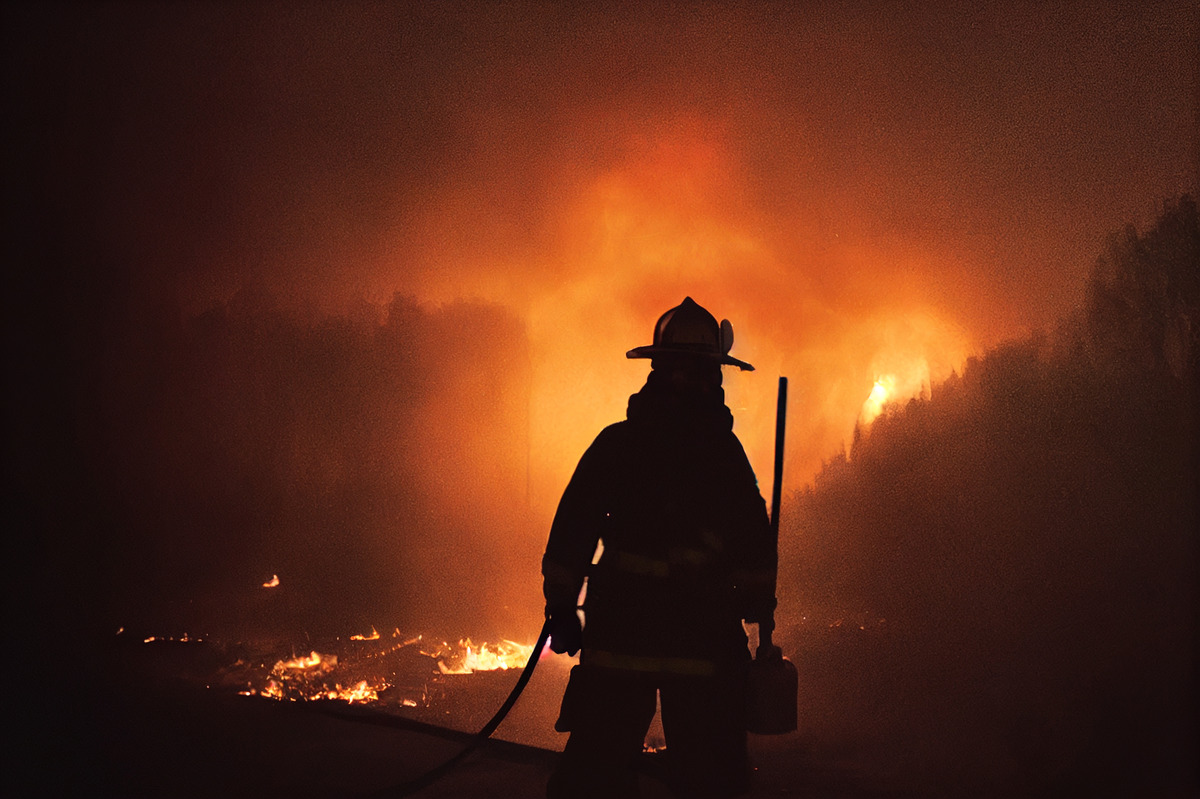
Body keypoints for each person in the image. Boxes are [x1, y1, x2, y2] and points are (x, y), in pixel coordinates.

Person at [542, 297, 778, 798]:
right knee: (711, 780)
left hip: (621, 638)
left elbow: (572, 529)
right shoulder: (725, 458)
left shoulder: (618, 445)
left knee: (593, 778)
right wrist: (759, 608)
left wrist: (562, 606)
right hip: (704, 647)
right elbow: (756, 546)